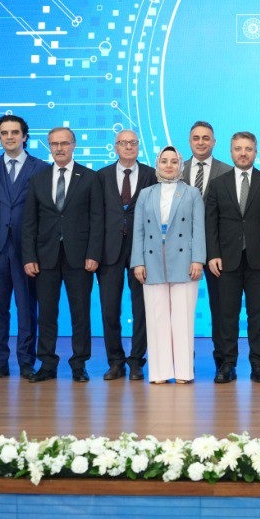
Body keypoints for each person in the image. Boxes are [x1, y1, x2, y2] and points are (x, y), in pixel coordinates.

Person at [21, 127, 104, 383]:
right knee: (46, 314)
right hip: (45, 257)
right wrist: (29, 257)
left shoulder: (89, 177)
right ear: (49, 146)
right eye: (54, 144)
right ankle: (47, 364)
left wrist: (93, 253)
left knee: (81, 313)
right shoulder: (38, 179)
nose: (59, 148)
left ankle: (79, 364)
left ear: (74, 145)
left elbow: (97, 220)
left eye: (64, 143)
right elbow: (29, 222)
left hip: (79, 257)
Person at [204, 131, 260, 384]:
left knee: (257, 316)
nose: (243, 153)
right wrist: (213, 254)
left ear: (255, 152)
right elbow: (210, 223)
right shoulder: (218, 184)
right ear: (231, 152)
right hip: (226, 260)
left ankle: (258, 365)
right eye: (238, 148)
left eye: (248, 149)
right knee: (227, 316)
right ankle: (227, 365)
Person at [132, 146, 205, 383]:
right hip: (152, 260)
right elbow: (139, 231)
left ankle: (183, 371)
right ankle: (160, 372)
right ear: (157, 165)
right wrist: (138, 262)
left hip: (184, 260)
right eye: (164, 161)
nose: (169, 165)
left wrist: (198, 259)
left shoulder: (192, 193)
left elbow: (198, 229)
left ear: (180, 165)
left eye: (174, 161)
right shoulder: (146, 194)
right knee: (156, 318)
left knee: (182, 319)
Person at [0, 114, 46, 380]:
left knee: (26, 308)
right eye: (4, 133)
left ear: (24, 136)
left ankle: (26, 361)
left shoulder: (41, 168)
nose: (9, 137)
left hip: (27, 250)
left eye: (15, 132)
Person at [97, 129, 156, 381]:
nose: (128, 146)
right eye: (123, 143)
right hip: (108, 251)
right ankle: (115, 362)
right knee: (110, 309)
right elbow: (95, 216)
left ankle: (136, 361)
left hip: (142, 252)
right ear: (116, 147)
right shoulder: (101, 176)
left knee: (142, 310)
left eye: (133, 142)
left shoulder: (152, 175)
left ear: (138, 146)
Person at [181, 121, 232, 368]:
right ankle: (181, 359)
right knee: (181, 307)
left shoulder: (228, 171)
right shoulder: (176, 169)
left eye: (205, 138)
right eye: (196, 138)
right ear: (189, 141)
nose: (201, 142)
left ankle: (223, 359)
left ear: (214, 142)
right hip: (181, 250)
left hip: (217, 250)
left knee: (221, 308)